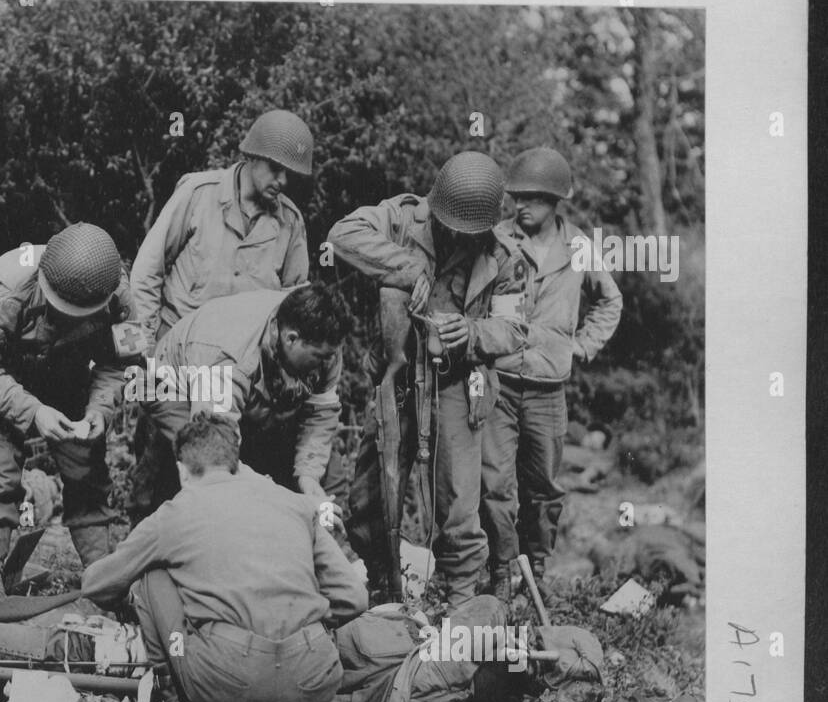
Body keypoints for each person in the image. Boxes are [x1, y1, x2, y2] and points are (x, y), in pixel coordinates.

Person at [81, 413, 368, 702]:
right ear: (235, 463)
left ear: (183, 469)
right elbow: (354, 597)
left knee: (151, 576)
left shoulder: (175, 513)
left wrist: (133, 605)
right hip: (313, 677)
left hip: (225, 678)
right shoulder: (295, 503)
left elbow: (95, 583)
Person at [328, 151, 526, 608]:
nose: (457, 235)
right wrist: (407, 266)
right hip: (397, 376)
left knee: (459, 507)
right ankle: (383, 589)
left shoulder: (504, 258)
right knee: (369, 495)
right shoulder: (402, 218)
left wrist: (472, 332)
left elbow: (515, 329)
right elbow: (342, 235)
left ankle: (459, 607)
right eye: (451, 222)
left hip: (459, 382)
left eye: (468, 230)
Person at [127, 108, 314, 523]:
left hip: (240, 378)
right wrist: (144, 354)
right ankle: (140, 579)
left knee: (227, 483)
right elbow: (147, 272)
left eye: (290, 176)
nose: (282, 183)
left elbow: (297, 312)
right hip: (175, 367)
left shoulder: (290, 225)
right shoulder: (199, 194)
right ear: (249, 156)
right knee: (155, 487)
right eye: (275, 170)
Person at [481, 148, 622, 600]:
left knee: (542, 489)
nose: (522, 206)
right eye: (517, 197)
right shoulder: (496, 239)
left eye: (535, 199)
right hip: (498, 383)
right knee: (494, 484)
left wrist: (582, 346)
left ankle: (535, 574)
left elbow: (609, 301)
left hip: (548, 388)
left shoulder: (578, 246)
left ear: (556, 200)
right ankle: (502, 574)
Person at [0, 223, 133, 590]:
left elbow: (120, 362)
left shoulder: (118, 293)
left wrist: (100, 409)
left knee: (87, 472)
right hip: (2, 377)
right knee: (0, 478)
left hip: (70, 375)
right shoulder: (6, 291)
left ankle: (102, 577)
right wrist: (34, 411)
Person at [139, 283, 349, 512]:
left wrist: (309, 477)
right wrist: (272, 493)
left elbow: (321, 412)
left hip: (252, 396)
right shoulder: (228, 356)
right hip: (176, 387)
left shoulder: (324, 342)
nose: (326, 365)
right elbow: (215, 447)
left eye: (330, 356)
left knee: (319, 478)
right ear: (291, 339)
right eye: (319, 357)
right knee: (208, 477)